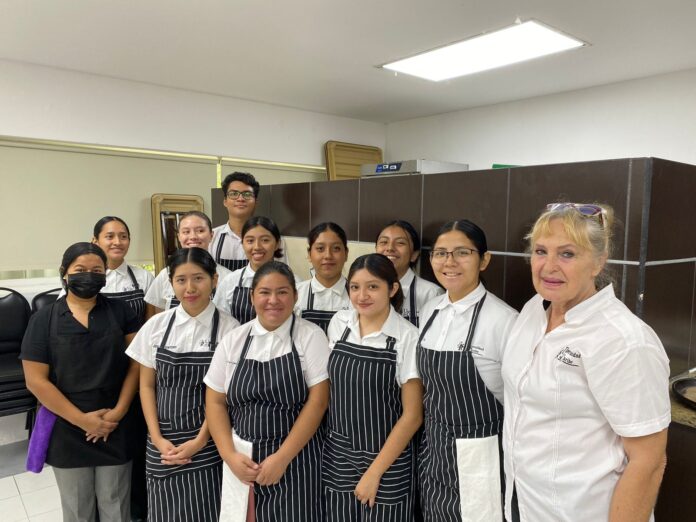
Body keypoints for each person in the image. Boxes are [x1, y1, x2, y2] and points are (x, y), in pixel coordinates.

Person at [502, 203, 670, 522]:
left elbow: (648, 462)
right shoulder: (531, 311)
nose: (548, 266)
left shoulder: (623, 341)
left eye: (567, 254)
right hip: (523, 505)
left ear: (598, 261)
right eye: (541, 251)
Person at [21, 242, 141, 522]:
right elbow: (36, 381)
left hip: (116, 422)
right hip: (66, 426)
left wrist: (119, 412)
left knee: (116, 504)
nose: (89, 275)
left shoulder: (121, 312)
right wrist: (82, 420)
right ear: (65, 273)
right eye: (80, 270)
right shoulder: (44, 319)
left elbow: (137, 365)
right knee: (78, 510)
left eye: (96, 270)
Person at [205, 261, 329, 521]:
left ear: (295, 296)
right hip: (242, 461)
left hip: (296, 460)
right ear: (252, 297)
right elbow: (215, 402)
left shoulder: (311, 336)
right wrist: (229, 456)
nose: (273, 300)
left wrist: (282, 459)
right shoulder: (234, 340)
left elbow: (318, 402)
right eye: (264, 292)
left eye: (283, 292)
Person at [126, 248, 240, 521]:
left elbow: (224, 397)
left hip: (209, 441)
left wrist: (199, 441)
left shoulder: (230, 329)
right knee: (164, 510)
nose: (190, 288)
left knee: (208, 510)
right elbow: (147, 387)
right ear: (171, 283)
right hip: (161, 441)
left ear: (214, 280)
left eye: (198, 278)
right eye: (181, 280)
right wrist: (156, 437)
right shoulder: (156, 325)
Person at [417, 220, 518, 521]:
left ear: (484, 260)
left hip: (482, 457)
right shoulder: (430, 311)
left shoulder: (504, 321)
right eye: (440, 253)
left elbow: (516, 403)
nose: (449, 262)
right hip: (435, 451)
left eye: (462, 252)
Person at [323, 253, 423, 521]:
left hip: (388, 460)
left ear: (392, 288)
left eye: (373, 286)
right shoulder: (339, 324)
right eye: (355, 287)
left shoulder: (407, 337)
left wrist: (374, 472)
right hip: (339, 454)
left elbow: (412, 415)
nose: (362, 295)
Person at [145, 211, 232, 314]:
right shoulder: (165, 274)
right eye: (186, 232)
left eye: (200, 230)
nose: (193, 236)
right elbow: (156, 315)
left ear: (211, 235)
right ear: (179, 236)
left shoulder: (228, 277)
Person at [213, 216, 284, 324]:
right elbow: (220, 322)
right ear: (243, 244)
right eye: (250, 241)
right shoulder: (230, 281)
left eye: (265, 240)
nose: (257, 247)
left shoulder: (292, 282)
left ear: (277, 244)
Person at [376, 220, 443, 326]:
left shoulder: (431, 294)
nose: (390, 248)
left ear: (414, 255)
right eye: (384, 242)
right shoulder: (365, 289)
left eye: (400, 243)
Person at [295, 222, 351, 333]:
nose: (328, 256)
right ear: (309, 254)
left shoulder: (358, 296)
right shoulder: (296, 294)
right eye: (320, 249)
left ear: (346, 254)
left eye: (336, 248)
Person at [209, 172, 259, 271]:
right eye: (234, 194)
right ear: (225, 201)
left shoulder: (269, 238)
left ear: (256, 202)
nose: (240, 198)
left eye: (247, 194)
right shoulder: (211, 237)